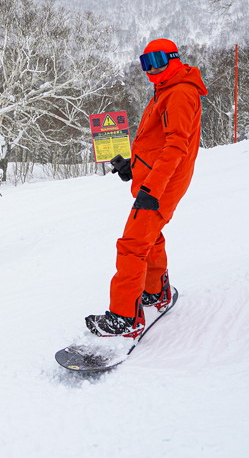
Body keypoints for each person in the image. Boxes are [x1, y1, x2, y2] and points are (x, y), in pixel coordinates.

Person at [85, 38, 207, 339]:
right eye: (147, 63)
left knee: (131, 246)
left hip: (161, 186)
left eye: (159, 62)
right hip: (156, 180)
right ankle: (156, 293)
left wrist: (151, 189)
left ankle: (124, 317)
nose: (152, 69)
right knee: (149, 239)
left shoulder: (179, 93)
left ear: (174, 59)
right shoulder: (167, 88)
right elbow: (157, 142)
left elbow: (176, 146)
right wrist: (133, 165)